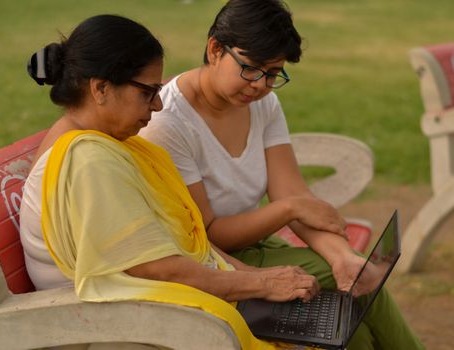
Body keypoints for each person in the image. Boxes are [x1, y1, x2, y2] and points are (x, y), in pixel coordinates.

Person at [19, 14, 319, 349]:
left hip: (146, 303)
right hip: (117, 322)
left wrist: (254, 276)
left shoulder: (104, 144)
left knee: (310, 315)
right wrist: (260, 285)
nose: (158, 105)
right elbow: (156, 269)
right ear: (101, 88)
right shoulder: (87, 159)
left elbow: (179, 242)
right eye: (148, 92)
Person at [139, 1, 426, 349]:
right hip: (213, 261)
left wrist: (341, 257)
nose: (261, 84)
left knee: (355, 316)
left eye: (273, 74)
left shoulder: (262, 104)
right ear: (215, 49)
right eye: (251, 68)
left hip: (259, 247)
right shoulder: (169, 123)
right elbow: (211, 233)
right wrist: (288, 210)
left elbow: (293, 192)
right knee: (371, 292)